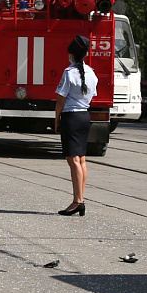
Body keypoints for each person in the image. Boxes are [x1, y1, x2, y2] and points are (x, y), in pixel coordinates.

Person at [54, 35, 98, 216]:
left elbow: (60, 100)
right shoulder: (92, 73)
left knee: (73, 161)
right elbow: (93, 94)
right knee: (81, 159)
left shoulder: (68, 73)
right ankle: (80, 198)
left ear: (71, 54)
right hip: (84, 117)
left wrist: (56, 120)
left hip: (71, 118)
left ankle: (77, 201)